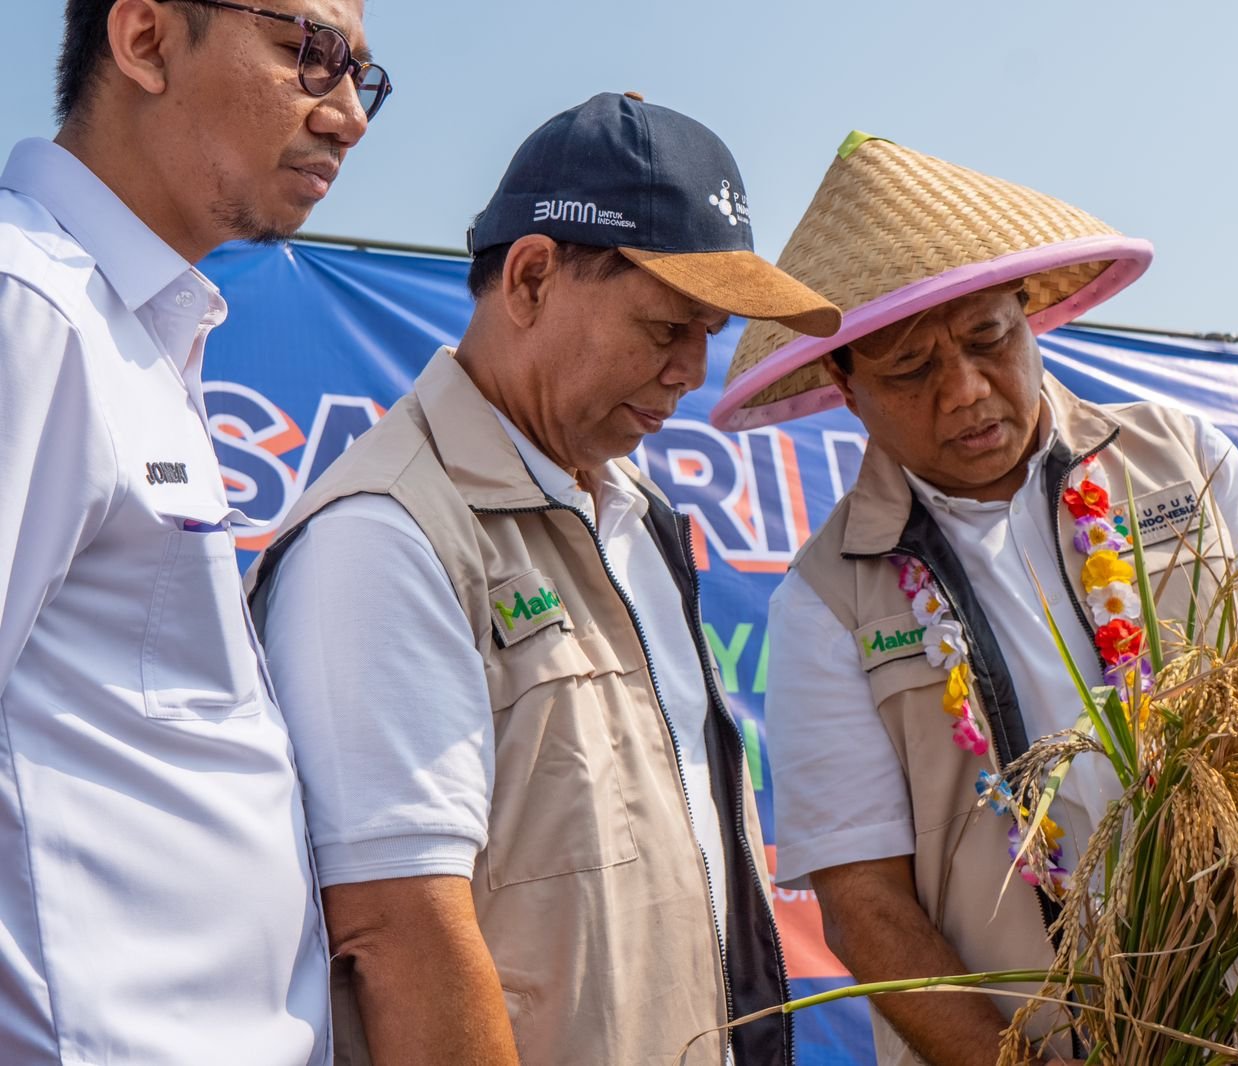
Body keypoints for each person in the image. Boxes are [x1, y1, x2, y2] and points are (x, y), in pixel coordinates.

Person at [712, 134, 1238, 1065]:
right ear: (845, 383)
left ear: (1028, 315)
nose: (964, 393)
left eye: (989, 339)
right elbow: (865, 905)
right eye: (910, 370)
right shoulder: (829, 598)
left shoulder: (1182, 461)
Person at [245, 92, 840, 1065]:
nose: (691, 369)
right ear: (529, 279)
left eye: (711, 332)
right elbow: (399, 937)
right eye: (665, 327)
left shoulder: (637, 518)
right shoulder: (386, 538)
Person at [0, 1, 389, 1063]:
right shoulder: (24, 306)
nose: (349, 115)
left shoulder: (129, 322)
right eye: (311, 54)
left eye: (364, 76)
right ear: (144, 41)